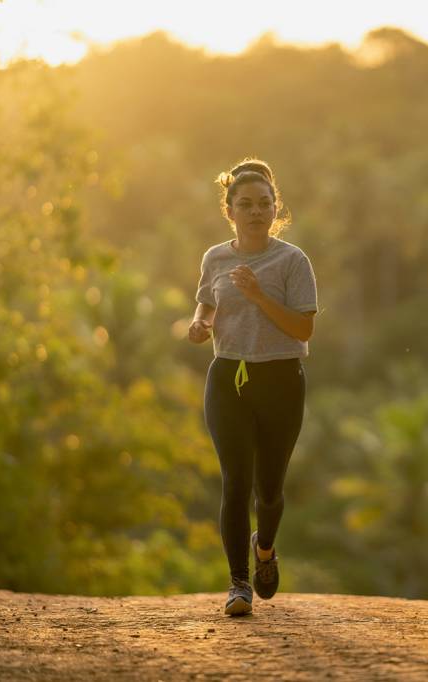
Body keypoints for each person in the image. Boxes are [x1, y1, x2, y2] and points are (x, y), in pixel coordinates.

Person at [189, 159, 318, 616]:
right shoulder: (215, 258)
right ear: (230, 211)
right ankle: (238, 583)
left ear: (275, 207)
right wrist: (200, 324)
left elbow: (303, 329)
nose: (256, 212)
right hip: (228, 378)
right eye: (245, 204)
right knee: (236, 483)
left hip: (281, 378)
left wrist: (260, 294)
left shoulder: (292, 260)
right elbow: (206, 304)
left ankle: (264, 549)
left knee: (269, 490)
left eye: (264, 204)